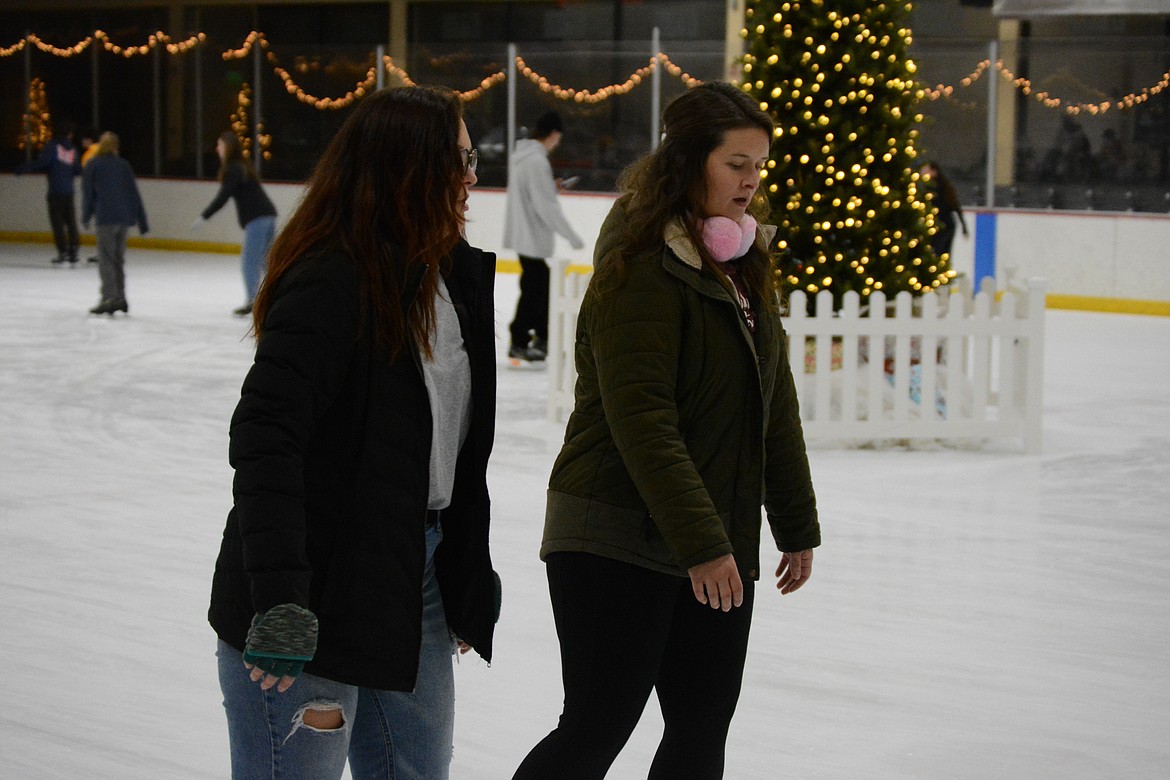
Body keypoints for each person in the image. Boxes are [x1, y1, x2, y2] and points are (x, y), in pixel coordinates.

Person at [512, 82, 820, 780]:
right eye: (736, 163)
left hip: (708, 537)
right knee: (595, 728)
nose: (752, 180)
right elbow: (642, 422)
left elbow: (773, 402)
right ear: (688, 163)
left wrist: (794, 522)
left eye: (759, 164)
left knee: (700, 728)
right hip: (616, 532)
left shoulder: (738, 266)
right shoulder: (641, 269)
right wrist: (705, 545)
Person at [208, 85, 501, 780]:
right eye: (456, 159)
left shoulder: (449, 277)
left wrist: (463, 575)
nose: (469, 177)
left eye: (472, 159)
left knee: (416, 770)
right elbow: (264, 437)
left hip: (414, 574)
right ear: (408, 166)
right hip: (317, 579)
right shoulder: (332, 279)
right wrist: (281, 597)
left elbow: (459, 452)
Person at [502, 110, 585, 363]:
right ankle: (523, 339)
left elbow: (535, 195)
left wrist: (551, 187)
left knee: (538, 286)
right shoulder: (536, 162)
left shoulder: (524, 158)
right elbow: (544, 206)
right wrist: (571, 236)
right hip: (532, 237)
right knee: (536, 289)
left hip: (525, 235)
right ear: (554, 134)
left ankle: (538, 339)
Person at [194, 131, 278, 316]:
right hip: (267, 215)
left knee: (250, 262)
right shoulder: (242, 166)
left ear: (228, 147)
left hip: (258, 218)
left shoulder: (233, 168)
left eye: (220, 145)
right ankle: (277, 298)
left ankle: (252, 301)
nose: (217, 149)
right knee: (267, 262)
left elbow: (224, 196)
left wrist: (205, 215)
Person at [80, 132, 148, 316]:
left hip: (106, 219)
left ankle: (109, 298)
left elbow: (88, 194)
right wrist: (142, 222)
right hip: (124, 219)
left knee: (106, 259)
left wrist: (85, 216)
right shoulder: (123, 165)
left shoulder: (93, 165)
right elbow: (134, 193)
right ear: (116, 147)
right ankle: (120, 297)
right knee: (118, 259)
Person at [15, 121, 82, 265]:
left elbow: (43, 162)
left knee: (57, 222)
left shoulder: (52, 146)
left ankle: (63, 252)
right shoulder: (73, 149)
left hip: (56, 191)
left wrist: (24, 168)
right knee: (71, 221)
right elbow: (77, 169)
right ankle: (74, 251)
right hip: (68, 191)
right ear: (70, 134)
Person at [920, 160, 968, 260]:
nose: (922, 172)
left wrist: (964, 227)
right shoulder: (945, 186)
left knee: (936, 253)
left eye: (926, 170)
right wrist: (964, 227)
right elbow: (956, 207)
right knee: (944, 255)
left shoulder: (932, 189)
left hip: (940, 225)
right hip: (948, 224)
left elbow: (953, 206)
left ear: (933, 172)